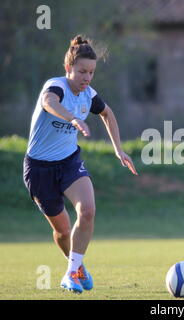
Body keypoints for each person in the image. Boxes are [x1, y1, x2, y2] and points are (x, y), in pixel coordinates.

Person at [23, 35, 138, 293]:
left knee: (87, 210)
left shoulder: (89, 95)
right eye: (81, 71)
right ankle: (76, 266)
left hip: (69, 163)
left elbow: (108, 114)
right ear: (68, 69)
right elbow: (48, 103)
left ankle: (71, 272)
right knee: (63, 231)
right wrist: (73, 118)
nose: (86, 77)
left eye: (91, 73)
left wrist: (119, 150)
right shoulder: (56, 86)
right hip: (39, 169)